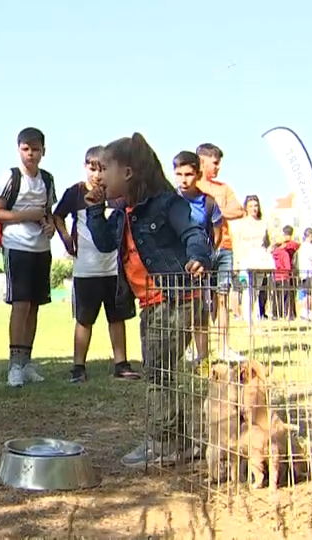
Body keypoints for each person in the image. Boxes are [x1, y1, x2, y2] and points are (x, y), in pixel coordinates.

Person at [83, 133, 211, 468]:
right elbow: (104, 244)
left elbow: (194, 232)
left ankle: (164, 443)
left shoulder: (167, 203)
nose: (99, 176)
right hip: (153, 304)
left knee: (158, 373)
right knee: (163, 371)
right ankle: (182, 442)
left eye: (105, 168)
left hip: (176, 298)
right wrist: (94, 209)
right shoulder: (124, 212)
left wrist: (199, 255)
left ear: (127, 172)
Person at [54, 145, 138, 382]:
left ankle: (121, 363)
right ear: (85, 167)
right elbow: (57, 215)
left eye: (103, 169)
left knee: (117, 317)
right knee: (84, 320)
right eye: (93, 168)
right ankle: (78, 367)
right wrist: (67, 239)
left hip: (114, 269)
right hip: (86, 269)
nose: (98, 174)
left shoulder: (117, 194)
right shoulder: (76, 192)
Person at [0, 127, 57, 387]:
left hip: (41, 248)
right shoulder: (10, 176)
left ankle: (27, 362)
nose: (30, 154)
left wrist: (49, 225)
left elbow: (48, 211)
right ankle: (14, 365)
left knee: (35, 305)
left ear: (43, 151)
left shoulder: (47, 180)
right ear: (19, 150)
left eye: (35, 149)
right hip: (17, 246)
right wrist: (24, 216)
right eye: (26, 149)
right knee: (20, 304)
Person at [194, 143, 244, 362]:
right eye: (215, 163)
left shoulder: (224, 188)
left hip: (224, 248)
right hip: (200, 249)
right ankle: (201, 352)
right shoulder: (192, 186)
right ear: (202, 161)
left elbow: (238, 210)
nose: (218, 168)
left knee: (222, 298)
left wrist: (215, 209)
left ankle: (224, 347)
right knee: (200, 302)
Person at [173, 151, 221, 366]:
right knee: (175, 314)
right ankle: (175, 356)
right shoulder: (169, 200)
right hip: (175, 265)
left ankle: (202, 357)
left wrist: (205, 256)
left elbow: (217, 232)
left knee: (200, 313)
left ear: (198, 174)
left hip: (200, 266)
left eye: (189, 174)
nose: (184, 179)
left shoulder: (208, 202)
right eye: (179, 174)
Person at [235, 195, 273, 322]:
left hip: (260, 258)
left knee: (256, 290)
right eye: (251, 206)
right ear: (246, 207)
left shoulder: (264, 223)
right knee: (247, 289)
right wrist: (236, 262)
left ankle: (255, 316)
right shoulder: (240, 224)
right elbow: (237, 243)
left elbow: (269, 242)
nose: (254, 208)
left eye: (256, 205)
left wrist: (267, 252)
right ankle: (248, 320)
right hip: (245, 258)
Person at [270, 226, 299, 320]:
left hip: (276, 275)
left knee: (276, 295)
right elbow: (287, 266)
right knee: (287, 295)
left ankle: (276, 314)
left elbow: (294, 245)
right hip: (285, 275)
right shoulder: (284, 253)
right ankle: (288, 313)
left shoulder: (275, 251)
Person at [297, 228, 312, 320]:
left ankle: (305, 311)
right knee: (310, 294)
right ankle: (306, 311)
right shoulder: (310, 247)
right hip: (310, 273)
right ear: (311, 236)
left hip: (303, 273)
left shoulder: (302, 247)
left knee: (306, 293)